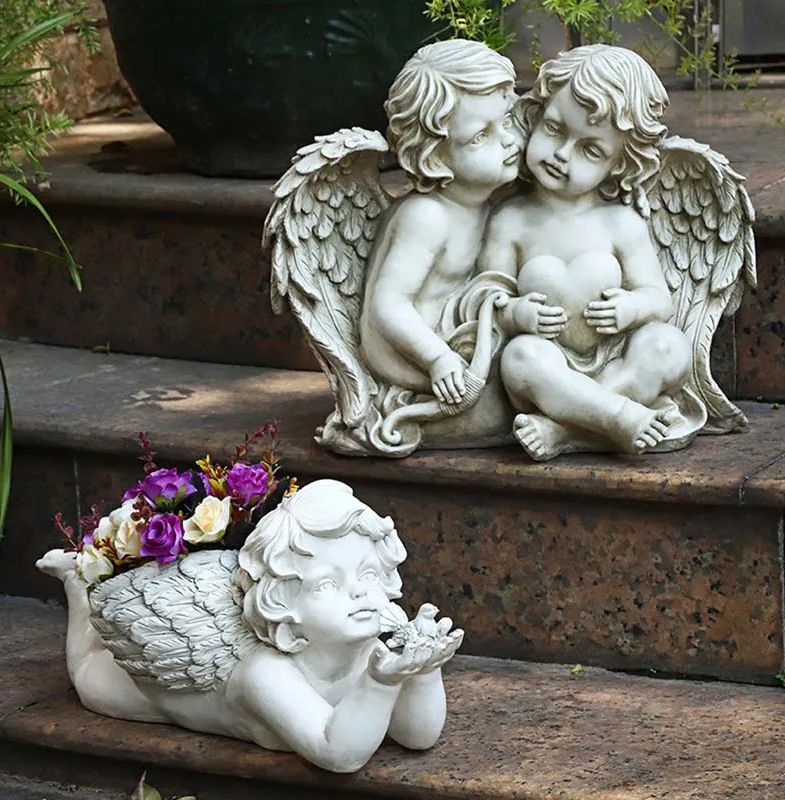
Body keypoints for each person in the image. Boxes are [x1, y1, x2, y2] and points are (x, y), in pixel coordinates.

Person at [36, 480, 462, 773]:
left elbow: (417, 735)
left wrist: (423, 670)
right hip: (156, 692)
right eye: (328, 584)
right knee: (90, 678)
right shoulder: (266, 673)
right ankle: (76, 582)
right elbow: (339, 753)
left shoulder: (367, 644)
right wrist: (382, 684)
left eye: (368, 574)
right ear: (284, 605)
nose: (359, 594)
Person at [478, 44, 692, 460]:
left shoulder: (621, 223)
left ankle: (563, 429)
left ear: (618, 164)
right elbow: (488, 298)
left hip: (617, 359)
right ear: (537, 115)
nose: (562, 155)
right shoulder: (510, 220)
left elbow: (659, 299)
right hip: (550, 363)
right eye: (554, 129)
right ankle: (618, 417)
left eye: (590, 150)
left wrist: (630, 308)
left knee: (669, 345)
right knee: (520, 357)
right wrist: (517, 313)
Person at [359, 38, 520, 407]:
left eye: (507, 120)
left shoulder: (485, 200)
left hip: (459, 341)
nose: (508, 140)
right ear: (434, 156)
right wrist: (437, 358)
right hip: (415, 357)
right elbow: (388, 305)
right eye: (482, 136)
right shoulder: (428, 216)